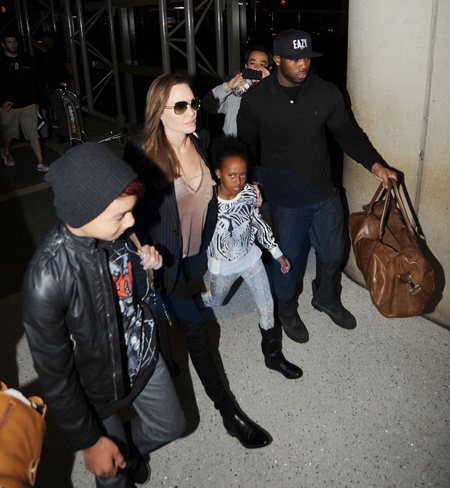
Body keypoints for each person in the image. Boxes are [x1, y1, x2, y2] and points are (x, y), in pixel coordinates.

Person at [22, 142, 186, 487]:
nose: (131, 221)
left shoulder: (118, 231)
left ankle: (125, 452)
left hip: (142, 354)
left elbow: (131, 287)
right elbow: (56, 375)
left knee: (171, 425)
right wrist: (91, 441)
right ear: (84, 213)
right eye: (120, 215)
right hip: (96, 387)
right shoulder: (46, 278)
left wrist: (148, 264)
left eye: (130, 212)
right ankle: (119, 455)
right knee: (113, 477)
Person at [124, 73, 272, 450]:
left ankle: (165, 360)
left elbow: (216, 192)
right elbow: (124, 217)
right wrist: (142, 251)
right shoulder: (141, 156)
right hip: (159, 262)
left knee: (166, 325)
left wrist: (246, 193)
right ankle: (229, 412)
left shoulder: (201, 142)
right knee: (194, 334)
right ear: (159, 112)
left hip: (194, 255)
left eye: (193, 103)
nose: (191, 111)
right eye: (180, 106)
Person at [237, 29, 397, 344]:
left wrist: (375, 164)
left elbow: (348, 133)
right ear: (277, 60)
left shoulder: (326, 93)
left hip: (323, 191)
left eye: (307, 58)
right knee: (289, 262)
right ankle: (287, 310)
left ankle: (325, 298)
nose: (303, 65)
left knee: (333, 252)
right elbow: (244, 145)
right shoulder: (256, 99)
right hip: (286, 198)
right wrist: (249, 183)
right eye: (295, 59)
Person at [199, 137, 302, 380]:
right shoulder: (207, 202)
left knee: (267, 307)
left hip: (251, 260)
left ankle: (273, 356)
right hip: (223, 267)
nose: (238, 181)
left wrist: (276, 253)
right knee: (217, 300)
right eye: (231, 175)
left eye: (243, 175)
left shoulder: (248, 192)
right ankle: (194, 302)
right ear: (218, 173)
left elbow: (256, 223)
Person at [0, 32, 49, 172]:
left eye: (14, 42)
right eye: (9, 42)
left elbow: (33, 82)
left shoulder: (27, 60)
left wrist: (36, 101)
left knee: (33, 134)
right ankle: (6, 152)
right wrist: (1, 102)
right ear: (3, 44)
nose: (13, 45)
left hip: (28, 104)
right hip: (9, 106)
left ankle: (41, 162)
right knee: (9, 133)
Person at [202, 46, 272, 137]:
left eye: (262, 65)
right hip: (231, 144)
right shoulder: (235, 92)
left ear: (269, 69)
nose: (256, 68)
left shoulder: (273, 93)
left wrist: (267, 85)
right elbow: (208, 105)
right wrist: (227, 86)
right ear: (246, 66)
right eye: (252, 63)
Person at [38, 31, 71, 144]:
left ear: (51, 39)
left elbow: (51, 71)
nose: (43, 41)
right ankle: (65, 131)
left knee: (60, 110)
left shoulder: (53, 53)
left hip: (56, 86)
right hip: (57, 85)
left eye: (45, 38)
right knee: (61, 110)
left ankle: (66, 133)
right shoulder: (55, 52)